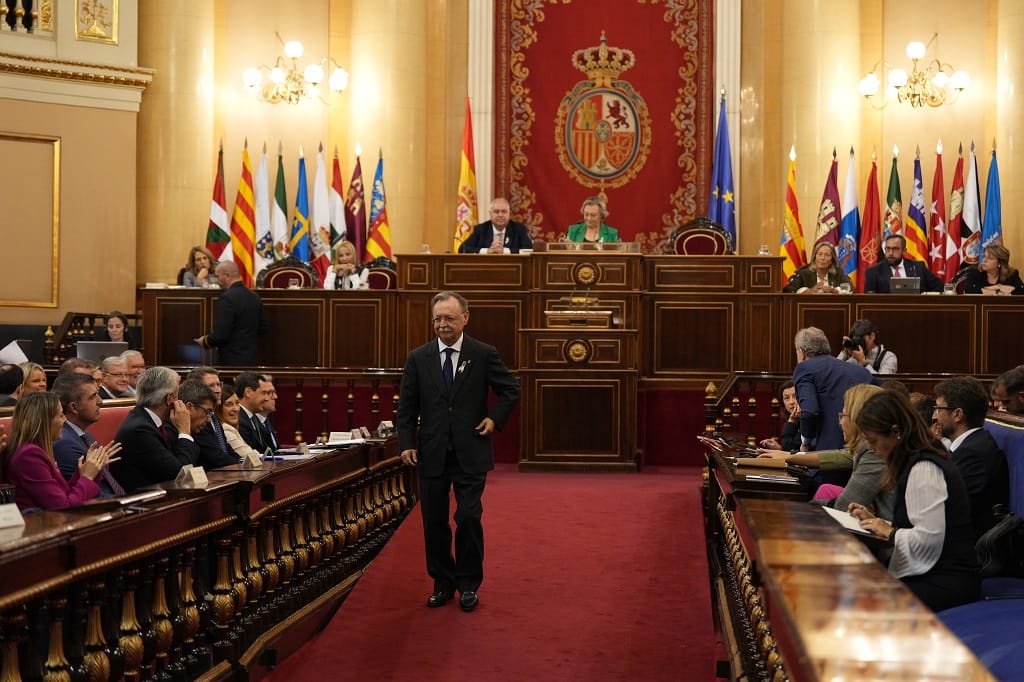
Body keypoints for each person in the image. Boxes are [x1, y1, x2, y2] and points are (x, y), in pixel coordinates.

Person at [397, 291, 520, 612]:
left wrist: (494, 419)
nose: (442, 324)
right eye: (437, 319)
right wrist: (406, 442)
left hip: (471, 450)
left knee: (467, 517)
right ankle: (442, 582)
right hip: (432, 452)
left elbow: (510, 389)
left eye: (449, 318)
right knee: (433, 522)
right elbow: (407, 408)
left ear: (465, 318)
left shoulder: (482, 353)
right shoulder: (417, 358)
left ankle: (468, 584)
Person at [849, 391, 980, 612]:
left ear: (896, 432)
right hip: (937, 574)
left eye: (873, 440)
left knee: (861, 601)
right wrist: (878, 522)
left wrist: (889, 532)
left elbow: (929, 539)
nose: (870, 448)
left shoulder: (924, 468)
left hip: (946, 580)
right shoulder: (917, 458)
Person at [2, 392, 118, 510]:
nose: (65, 419)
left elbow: (63, 494)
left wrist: (87, 470)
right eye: (60, 415)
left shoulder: (34, 451)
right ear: (45, 422)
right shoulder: (29, 456)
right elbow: (63, 507)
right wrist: (87, 477)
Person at [932, 376, 1009, 537]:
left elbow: (946, 513)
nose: (934, 416)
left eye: (939, 409)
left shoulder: (972, 456)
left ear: (957, 414)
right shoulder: (974, 444)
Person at [109, 367, 199, 493]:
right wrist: (184, 431)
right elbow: (181, 474)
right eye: (178, 395)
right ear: (169, 399)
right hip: (142, 504)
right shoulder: (140, 430)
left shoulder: (149, 420)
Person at [51, 373, 126, 497]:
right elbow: (92, 497)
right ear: (74, 407)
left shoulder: (85, 435)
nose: (100, 401)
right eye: (93, 397)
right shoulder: (64, 444)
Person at [194, 261, 270, 366]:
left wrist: (206, 341)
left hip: (231, 360)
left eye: (217, 276)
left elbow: (221, 334)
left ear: (227, 276)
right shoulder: (254, 296)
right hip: (252, 358)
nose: (216, 280)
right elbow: (263, 327)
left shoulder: (227, 298)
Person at [186, 366, 237, 469]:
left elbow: (225, 448)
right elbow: (216, 457)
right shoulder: (198, 418)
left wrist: (242, 461)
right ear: (198, 389)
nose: (217, 390)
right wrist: (240, 466)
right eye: (211, 386)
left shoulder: (213, 416)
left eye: (218, 385)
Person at [863, 234, 944, 293]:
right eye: (888, 249)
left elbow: (939, 286)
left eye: (895, 249)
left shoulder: (918, 267)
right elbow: (869, 299)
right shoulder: (873, 272)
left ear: (904, 251)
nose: (890, 253)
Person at [457, 198, 534, 254]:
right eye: (496, 212)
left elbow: (529, 250)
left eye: (504, 212)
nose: (500, 215)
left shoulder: (519, 230)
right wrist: (487, 251)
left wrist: (505, 251)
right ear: (490, 214)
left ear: (509, 213)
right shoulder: (481, 229)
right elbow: (462, 249)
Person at [782, 242, 853, 294]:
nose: (822, 258)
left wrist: (833, 291)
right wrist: (810, 291)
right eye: (820, 254)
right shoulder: (803, 273)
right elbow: (788, 290)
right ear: (814, 257)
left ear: (832, 260)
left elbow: (851, 290)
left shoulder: (839, 273)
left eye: (827, 255)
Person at [216, 383, 262, 462]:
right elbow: (250, 456)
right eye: (229, 404)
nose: (236, 409)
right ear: (218, 409)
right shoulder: (226, 430)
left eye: (237, 403)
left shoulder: (231, 428)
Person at [235, 371, 273, 452]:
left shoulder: (254, 418)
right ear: (248, 392)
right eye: (264, 393)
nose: (266, 398)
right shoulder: (237, 419)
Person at [758, 381, 801, 451]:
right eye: (786, 398)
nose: (791, 402)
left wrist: (791, 421)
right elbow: (791, 448)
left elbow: (789, 447)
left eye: (795, 396)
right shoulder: (796, 419)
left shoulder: (808, 419)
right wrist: (778, 448)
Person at [258, 373, 281, 450]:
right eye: (269, 393)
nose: (275, 397)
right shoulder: (250, 423)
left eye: (274, 392)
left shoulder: (265, 421)